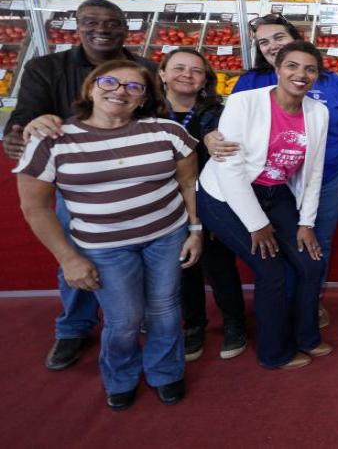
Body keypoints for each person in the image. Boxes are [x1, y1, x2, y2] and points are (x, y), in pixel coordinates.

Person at [14, 60, 202, 410]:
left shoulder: (167, 132)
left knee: (164, 309)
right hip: (104, 247)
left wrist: (194, 230)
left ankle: (166, 371)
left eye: (134, 87)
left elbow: (188, 183)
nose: (120, 91)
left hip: (166, 236)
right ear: (90, 88)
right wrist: (69, 259)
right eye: (111, 82)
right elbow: (35, 208)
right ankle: (121, 375)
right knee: (124, 318)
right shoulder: (52, 140)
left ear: (144, 99)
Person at [3, 0, 156, 371]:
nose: (100, 29)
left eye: (110, 23)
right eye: (90, 22)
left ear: (125, 28)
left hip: (135, 178)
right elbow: (25, 118)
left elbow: (155, 119)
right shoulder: (46, 68)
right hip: (79, 186)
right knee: (77, 256)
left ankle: (140, 318)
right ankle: (74, 327)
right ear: (76, 25)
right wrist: (19, 131)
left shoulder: (146, 69)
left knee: (142, 253)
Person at [206, 14, 338, 329]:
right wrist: (211, 133)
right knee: (274, 254)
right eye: (263, 42)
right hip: (266, 183)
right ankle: (281, 306)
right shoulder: (250, 83)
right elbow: (227, 125)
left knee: (314, 244)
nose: (271, 45)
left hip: (324, 175)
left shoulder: (333, 83)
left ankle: (308, 303)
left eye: (278, 37)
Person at [198, 41, 331, 370]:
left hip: (275, 191)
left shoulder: (319, 112)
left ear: (317, 76)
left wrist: (306, 224)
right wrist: (257, 225)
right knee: (272, 271)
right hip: (224, 196)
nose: (301, 74)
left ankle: (306, 337)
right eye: (292, 66)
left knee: (311, 263)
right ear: (278, 68)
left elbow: (313, 171)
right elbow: (229, 168)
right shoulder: (245, 102)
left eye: (310, 69)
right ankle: (274, 353)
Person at [158, 48, 246, 361]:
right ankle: (193, 323)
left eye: (196, 71)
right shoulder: (146, 111)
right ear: (163, 73)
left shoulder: (216, 112)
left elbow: (229, 150)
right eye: (179, 68)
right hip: (164, 202)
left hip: (209, 198)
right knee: (183, 267)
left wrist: (213, 137)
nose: (187, 75)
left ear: (205, 79)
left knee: (218, 263)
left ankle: (235, 322)